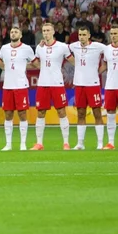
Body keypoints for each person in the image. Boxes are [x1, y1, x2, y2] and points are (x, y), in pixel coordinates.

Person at [31, 23, 71, 151]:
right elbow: (36, 63)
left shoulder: (62, 47)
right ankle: (39, 143)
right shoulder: (39, 47)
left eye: (48, 30)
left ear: (53, 32)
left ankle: (66, 143)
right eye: (44, 31)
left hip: (57, 84)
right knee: (40, 112)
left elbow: (73, 60)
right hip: (43, 84)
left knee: (61, 112)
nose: (46, 33)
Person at [0, 26, 35, 151]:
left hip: (21, 86)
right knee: (8, 114)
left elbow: (35, 63)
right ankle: (8, 144)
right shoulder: (4, 48)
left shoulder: (27, 49)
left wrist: (23, 66)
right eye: (12, 32)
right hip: (8, 86)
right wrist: (5, 67)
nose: (13, 34)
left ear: (21, 35)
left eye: (16, 32)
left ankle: (23, 144)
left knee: (22, 114)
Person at [68, 23, 106, 150]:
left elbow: (111, 51)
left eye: (84, 35)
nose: (82, 37)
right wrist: (43, 44)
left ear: (89, 35)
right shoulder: (73, 46)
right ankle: (80, 143)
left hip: (93, 85)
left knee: (97, 113)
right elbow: (61, 48)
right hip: (79, 85)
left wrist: (99, 71)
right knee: (80, 113)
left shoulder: (98, 46)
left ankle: (100, 143)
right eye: (80, 35)